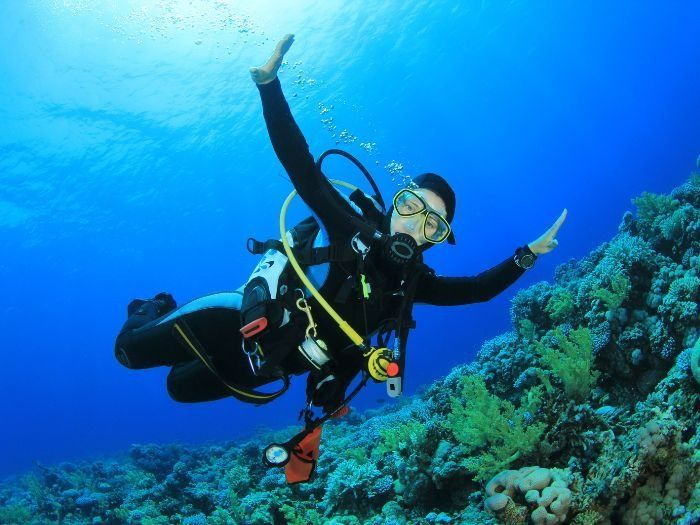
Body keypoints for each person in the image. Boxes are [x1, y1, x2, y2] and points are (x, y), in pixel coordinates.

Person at [114, 34, 567, 482]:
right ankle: (151, 309)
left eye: (433, 224)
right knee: (129, 353)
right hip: (234, 320)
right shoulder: (351, 227)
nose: (414, 225)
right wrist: (270, 87)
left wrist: (529, 254)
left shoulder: (412, 287)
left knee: (178, 388)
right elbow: (302, 167)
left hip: (263, 367)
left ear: (437, 238)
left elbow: (477, 290)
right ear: (395, 203)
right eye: (411, 207)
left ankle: (170, 328)